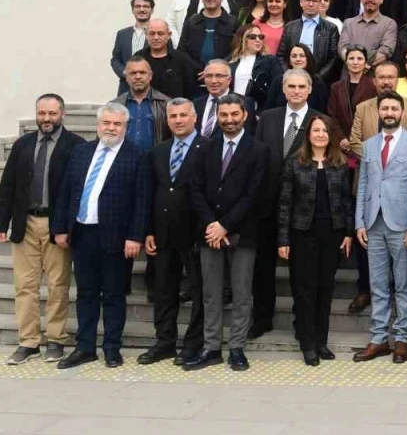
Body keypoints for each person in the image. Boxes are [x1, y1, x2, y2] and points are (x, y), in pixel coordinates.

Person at [48, 104, 148, 370]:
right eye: (107, 123)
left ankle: (112, 348)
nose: (111, 128)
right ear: (98, 125)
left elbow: (142, 200)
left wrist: (135, 237)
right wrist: (60, 228)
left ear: (125, 127)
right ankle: (85, 348)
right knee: (86, 293)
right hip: (82, 233)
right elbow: (67, 191)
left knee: (114, 294)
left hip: (117, 237)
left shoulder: (137, 155)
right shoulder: (81, 151)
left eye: (117, 124)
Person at [0, 94, 84, 365]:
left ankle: (56, 339)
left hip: (56, 225)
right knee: (25, 286)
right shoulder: (22, 144)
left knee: (57, 285)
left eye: (52, 113)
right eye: (42, 113)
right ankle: (28, 342)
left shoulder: (76, 145)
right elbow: (8, 184)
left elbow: (76, 191)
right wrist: (1, 222)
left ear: (63, 114)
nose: (46, 119)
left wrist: (67, 226)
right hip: (25, 224)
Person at [185, 94, 270, 372]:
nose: (229, 120)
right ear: (217, 117)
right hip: (209, 233)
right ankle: (211, 348)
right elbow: (195, 189)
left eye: (235, 114)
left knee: (242, 293)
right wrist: (212, 224)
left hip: (243, 233)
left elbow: (254, 195)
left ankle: (236, 348)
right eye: (224, 115)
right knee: (210, 293)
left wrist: (225, 225)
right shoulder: (204, 148)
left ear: (245, 115)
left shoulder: (259, 150)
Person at [352, 92, 407, 364]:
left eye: (394, 108)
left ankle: (402, 338)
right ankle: (378, 338)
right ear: (379, 111)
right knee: (378, 284)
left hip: (402, 225)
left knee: (403, 284)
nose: (389, 113)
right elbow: (363, 184)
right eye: (385, 108)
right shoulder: (369, 145)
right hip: (373, 223)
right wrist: (359, 221)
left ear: (402, 112)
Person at [251, 70, 326, 338]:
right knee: (262, 266)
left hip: (303, 207)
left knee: (302, 271)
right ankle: (262, 318)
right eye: (291, 86)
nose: (296, 91)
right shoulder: (268, 118)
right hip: (267, 203)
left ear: (309, 90)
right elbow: (258, 157)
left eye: (301, 86)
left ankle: (301, 322)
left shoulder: (320, 120)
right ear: (283, 89)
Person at [276, 115, 353, 365]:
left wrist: (348, 233)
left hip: (332, 234)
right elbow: (285, 203)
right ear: (308, 135)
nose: (320, 135)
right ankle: (307, 343)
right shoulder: (294, 163)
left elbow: (346, 202)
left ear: (331, 135)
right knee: (305, 290)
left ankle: (321, 341)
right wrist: (283, 239)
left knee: (325, 289)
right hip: (302, 234)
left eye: (325, 131)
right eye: (316, 130)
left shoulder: (340, 164)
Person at [137, 98, 206, 366]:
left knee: (199, 292)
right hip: (163, 233)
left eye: (183, 115)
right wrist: (148, 231)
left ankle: (193, 344)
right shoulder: (158, 150)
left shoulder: (208, 148)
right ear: (167, 120)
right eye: (173, 116)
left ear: (194, 118)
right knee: (163, 290)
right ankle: (164, 342)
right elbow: (149, 192)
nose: (178, 120)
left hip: (196, 234)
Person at [278, 0, 340, 83]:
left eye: (315, 1)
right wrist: (289, 74)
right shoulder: (290, 27)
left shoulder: (331, 28)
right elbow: (281, 55)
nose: (311, 4)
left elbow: (333, 58)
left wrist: (317, 78)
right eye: (307, 0)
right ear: (301, 2)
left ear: (320, 3)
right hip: (291, 80)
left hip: (319, 81)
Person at [329, 46, 377, 167]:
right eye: (351, 58)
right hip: (341, 145)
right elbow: (332, 115)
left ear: (365, 62)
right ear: (346, 62)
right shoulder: (336, 87)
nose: (355, 62)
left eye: (359, 58)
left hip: (365, 143)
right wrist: (342, 138)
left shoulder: (373, 86)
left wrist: (353, 141)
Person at [115, 56, 170, 151]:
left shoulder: (166, 104)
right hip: (124, 158)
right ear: (126, 77)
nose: (138, 77)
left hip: (154, 159)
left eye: (142, 72)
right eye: (133, 73)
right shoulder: (115, 106)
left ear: (150, 76)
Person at [178, 0, 239, 69]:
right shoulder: (192, 22)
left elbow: (237, 49)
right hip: (194, 73)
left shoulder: (232, 22)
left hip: (222, 72)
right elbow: (182, 50)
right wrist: (196, 68)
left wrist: (217, 67)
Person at [340, 0, 399, 68]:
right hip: (349, 74)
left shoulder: (389, 24)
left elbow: (385, 51)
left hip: (373, 73)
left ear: (381, 0)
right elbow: (343, 49)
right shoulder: (348, 23)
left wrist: (361, 66)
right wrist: (357, 65)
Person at [228, 26, 284, 110]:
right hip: (232, 108)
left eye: (261, 37)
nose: (258, 40)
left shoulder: (270, 61)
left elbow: (278, 87)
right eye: (253, 37)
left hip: (257, 110)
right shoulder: (230, 61)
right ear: (242, 39)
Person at [112, 0, 157, 95]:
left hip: (151, 89)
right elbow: (115, 59)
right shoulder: (122, 34)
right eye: (138, 6)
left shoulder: (158, 34)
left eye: (146, 6)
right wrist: (124, 72)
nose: (142, 9)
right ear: (133, 10)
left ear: (152, 10)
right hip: (125, 88)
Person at [143, 19, 197, 100]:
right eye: (152, 34)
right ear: (146, 35)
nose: (156, 37)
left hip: (176, 106)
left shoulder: (182, 59)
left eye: (160, 34)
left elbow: (190, 88)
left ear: (169, 35)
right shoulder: (139, 58)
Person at [280, 44, 330, 113]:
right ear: (289, 61)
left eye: (302, 56)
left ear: (308, 59)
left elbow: (323, 110)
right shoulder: (279, 80)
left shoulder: (318, 83)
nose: (298, 59)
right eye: (294, 56)